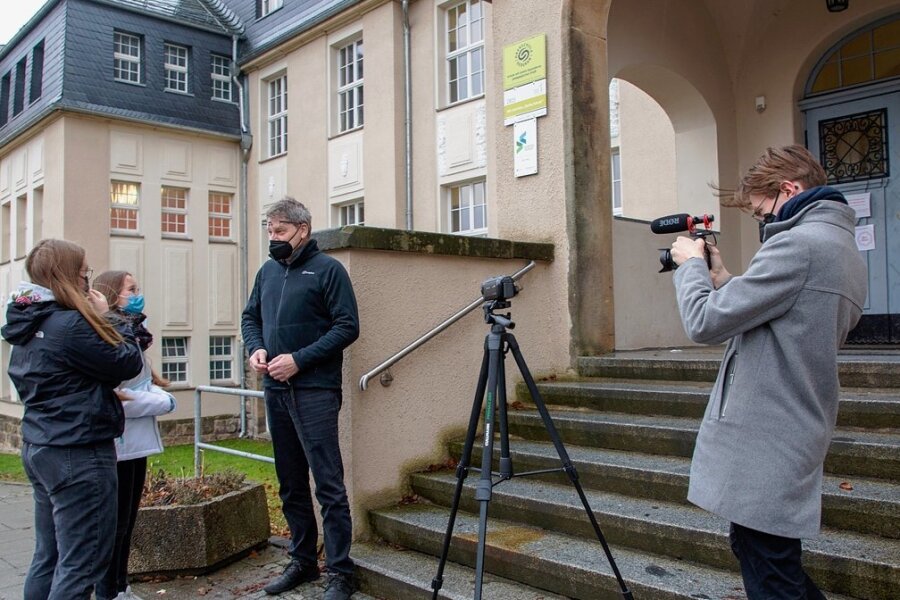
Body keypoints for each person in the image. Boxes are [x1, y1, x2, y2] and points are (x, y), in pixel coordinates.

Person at [668, 145, 868, 599]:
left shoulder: (798, 244)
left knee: (774, 578)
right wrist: (723, 279)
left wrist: (692, 268)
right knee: (764, 557)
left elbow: (704, 322)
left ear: (789, 189)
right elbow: (786, 317)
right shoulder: (842, 250)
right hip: (796, 419)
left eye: (762, 211)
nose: (763, 223)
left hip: (769, 430)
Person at [1, 239, 144, 600]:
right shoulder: (69, 325)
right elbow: (127, 363)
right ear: (69, 277)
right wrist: (109, 316)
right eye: (84, 274)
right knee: (81, 564)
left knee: (47, 557)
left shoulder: (29, 322)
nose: (88, 282)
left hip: (42, 445)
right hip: (78, 453)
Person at [241, 197, 360, 599]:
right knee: (290, 483)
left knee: (328, 484)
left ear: (302, 230)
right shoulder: (267, 272)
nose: (272, 238)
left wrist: (298, 360)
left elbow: (347, 327)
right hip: (275, 390)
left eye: (280, 231)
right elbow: (250, 317)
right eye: (269, 231)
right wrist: (256, 348)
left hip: (315, 392)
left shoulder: (329, 271)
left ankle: (341, 572)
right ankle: (303, 561)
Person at [92, 271, 176, 600]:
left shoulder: (134, 335)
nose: (137, 294)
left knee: (126, 522)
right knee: (114, 525)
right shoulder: (109, 334)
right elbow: (116, 395)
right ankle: (108, 591)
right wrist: (162, 401)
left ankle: (120, 586)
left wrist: (154, 394)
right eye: (131, 289)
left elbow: (138, 383)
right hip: (118, 442)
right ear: (113, 294)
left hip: (135, 442)